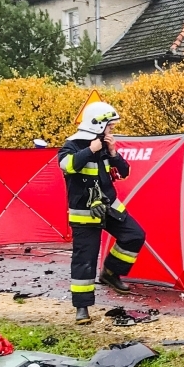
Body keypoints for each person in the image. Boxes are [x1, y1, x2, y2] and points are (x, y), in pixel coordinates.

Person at [59, 101, 147, 324]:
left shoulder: (105, 147)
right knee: (85, 259)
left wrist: (113, 152)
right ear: (98, 125)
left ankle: (110, 272)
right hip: (84, 213)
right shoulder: (73, 145)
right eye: (110, 126)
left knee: (135, 235)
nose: (112, 130)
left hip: (109, 206)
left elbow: (124, 172)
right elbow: (67, 165)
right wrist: (91, 150)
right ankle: (82, 308)